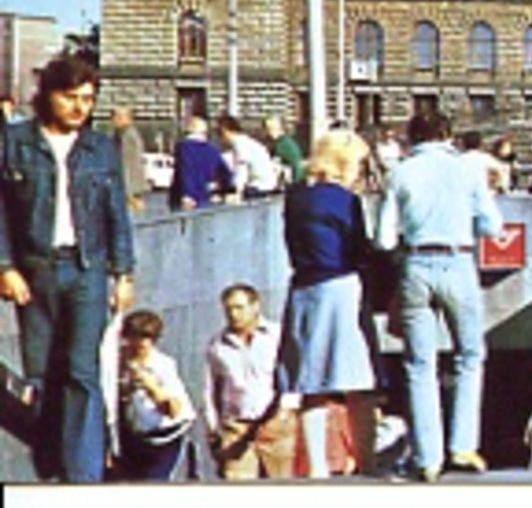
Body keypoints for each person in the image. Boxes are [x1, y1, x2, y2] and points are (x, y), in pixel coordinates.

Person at [0, 53, 137, 482]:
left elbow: (117, 214)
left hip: (86, 270)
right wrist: (5, 266)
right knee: (43, 374)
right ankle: (53, 464)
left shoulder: (100, 148)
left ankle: (83, 477)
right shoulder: (15, 142)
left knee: (82, 370)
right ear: (48, 96)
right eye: (71, 97)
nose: (81, 107)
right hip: (34, 271)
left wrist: (124, 273)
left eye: (88, 99)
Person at [376, 111, 504, 482]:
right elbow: (493, 226)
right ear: (448, 135)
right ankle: (463, 446)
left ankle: (427, 458)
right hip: (458, 261)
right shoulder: (468, 170)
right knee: (469, 355)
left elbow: (384, 239)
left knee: (420, 364)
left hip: (416, 264)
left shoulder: (399, 172)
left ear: (412, 138)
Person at [279, 129, 382, 478]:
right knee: (359, 379)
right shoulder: (346, 201)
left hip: (304, 288)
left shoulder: (295, 197)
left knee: (312, 384)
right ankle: (368, 462)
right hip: (342, 286)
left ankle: (317, 467)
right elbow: (358, 247)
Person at [204, 282, 299, 479]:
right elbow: (211, 388)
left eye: (239, 307)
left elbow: (295, 374)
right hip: (236, 428)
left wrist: (286, 411)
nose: (234, 314)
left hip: (277, 425)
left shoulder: (278, 336)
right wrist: (213, 427)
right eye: (228, 309)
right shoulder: (217, 345)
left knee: (283, 486)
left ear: (255, 306)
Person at [113, 308, 196, 481]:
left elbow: (173, 410)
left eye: (146, 338)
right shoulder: (118, 363)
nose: (140, 344)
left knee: (155, 482)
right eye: (134, 337)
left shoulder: (163, 366)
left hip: (166, 436)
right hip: (136, 438)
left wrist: (151, 387)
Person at [170, 115, 234, 210]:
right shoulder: (213, 150)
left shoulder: (184, 147)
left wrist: (187, 194)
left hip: (186, 199)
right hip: (207, 196)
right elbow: (225, 173)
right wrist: (226, 192)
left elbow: (187, 170)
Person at [218, 115, 279, 199]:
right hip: (266, 183)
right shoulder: (246, 142)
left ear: (226, 131)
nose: (220, 139)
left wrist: (237, 193)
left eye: (219, 134)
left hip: (260, 186)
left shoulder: (240, 144)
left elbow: (242, 170)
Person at [110, 106, 150, 213]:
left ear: (128, 119)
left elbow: (127, 164)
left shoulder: (128, 136)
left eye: (118, 117)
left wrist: (127, 192)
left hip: (130, 190)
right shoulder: (120, 135)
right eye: (113, 117)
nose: (114, 120)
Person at [458, 129, 510, 193]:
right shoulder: (487, 159)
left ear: (464, 144)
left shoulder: (457, 160)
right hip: (485, 194)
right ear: (480, 144)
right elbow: (501, 177)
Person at [264, 115, 305, 187]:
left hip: (292, 182)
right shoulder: (279, 142)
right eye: (267, 129)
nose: (270, 132)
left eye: (273, 128)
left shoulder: (283, 144)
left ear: (281, 128)